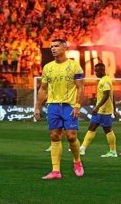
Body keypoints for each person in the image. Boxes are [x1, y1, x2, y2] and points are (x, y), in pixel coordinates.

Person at [34, 39, 85, 180]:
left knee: (71, 136)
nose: (53, 49)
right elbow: (43, 89)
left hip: (69, 106)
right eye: (51, 46)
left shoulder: (74, 66)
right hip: (53, 106)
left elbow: (81, 87)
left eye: (56, 46)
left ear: (64, 47)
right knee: (54, 136)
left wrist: (77, 105)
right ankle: (56, 171)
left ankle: (77, 161)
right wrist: (37, 107)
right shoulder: (48, 67)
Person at [79, 62, 120, 157]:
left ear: (102, 70)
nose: (95, 73)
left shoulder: (104, 81)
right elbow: (112, 95)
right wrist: (114, 109)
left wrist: (97, 107)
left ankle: (113, 151)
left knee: (106, 129)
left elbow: (106, 95)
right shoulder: (106, 79)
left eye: (97, 71)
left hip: (103, 110)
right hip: (102, 110)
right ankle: (83, 148)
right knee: (93, 127)